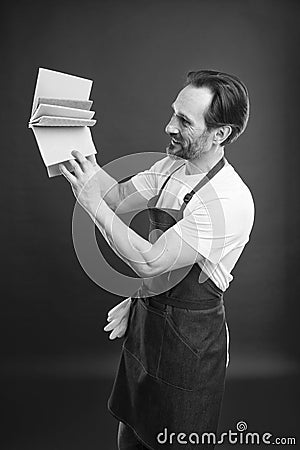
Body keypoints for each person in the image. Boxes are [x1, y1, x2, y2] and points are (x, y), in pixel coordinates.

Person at [59, 70, 255, 449]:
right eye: (173, 113)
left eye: (184, 120)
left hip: (191, 345)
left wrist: (90, 204)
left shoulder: (228, 199)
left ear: (221, 134)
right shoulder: (169, 170)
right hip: (146, 326)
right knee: (131, 434)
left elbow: (150, 262)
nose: (169, 126)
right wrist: (71, 138)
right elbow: (116, 197)